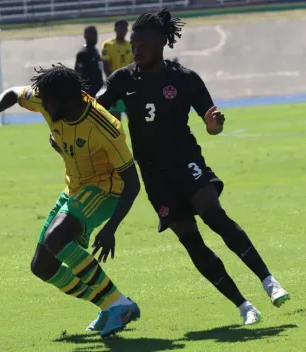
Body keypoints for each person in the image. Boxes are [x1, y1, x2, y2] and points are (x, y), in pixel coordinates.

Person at [94, 7, 290, 325]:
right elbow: (94, 107)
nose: (136, 50)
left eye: (142, 44)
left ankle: (270, 281)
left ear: (160, 42)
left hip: (187, 162)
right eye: (134, 45)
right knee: (191, 241)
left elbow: (211, 125)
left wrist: (214, 125)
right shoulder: (123, 79)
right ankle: (244, 306)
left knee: (214, 216)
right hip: (154, 175)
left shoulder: (183, 79)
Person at [0, 64, 141, 337]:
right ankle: (106, 304)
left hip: (106, 191)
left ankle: (118, 302)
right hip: (74, 189)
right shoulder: (49, 99)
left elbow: (133, 183)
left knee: (56, 238)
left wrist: (111, 229)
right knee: (42, 266)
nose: (44, 106)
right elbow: (14, 93)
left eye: (49, 102)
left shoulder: (106, 127)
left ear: (68, 100)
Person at [100, 20, 134, 120]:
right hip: (115, 86)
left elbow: (134, 66)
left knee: (134, 118)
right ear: (115, 29)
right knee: (116, 120)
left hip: (128, 87)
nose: (123, 31)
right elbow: (106, 68)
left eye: (125, 28)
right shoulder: (108, 45)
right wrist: (114, 85)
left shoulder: (130, 46)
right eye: (121, 28)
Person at [74, 26, 104, 97]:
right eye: (92, 33)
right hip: (88, 94)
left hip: (98, 91)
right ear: (85, 36)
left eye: (96, 33)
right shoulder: (82, 54)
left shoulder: (95, 51)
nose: (95, 36)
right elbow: (77, 75)